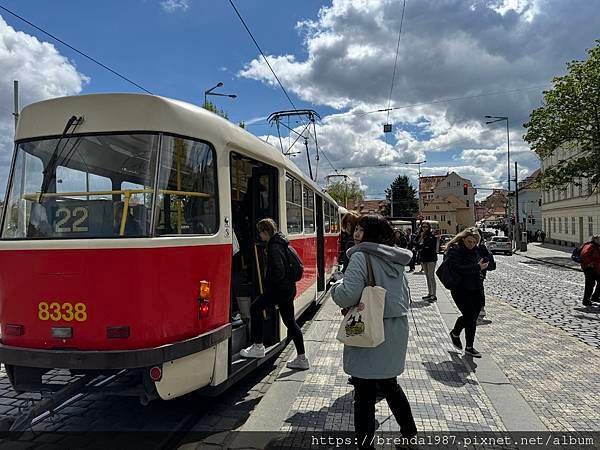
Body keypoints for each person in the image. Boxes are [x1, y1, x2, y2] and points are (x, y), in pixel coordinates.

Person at [330, 214, 417, 448]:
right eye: (356, 229)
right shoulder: (396, 257)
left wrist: (336, 286)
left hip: (368, 327)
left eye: (361, 230)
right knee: (390, 384)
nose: (356, 234)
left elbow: (347, 295)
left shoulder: (360, 256)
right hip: (395, 328)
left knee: (364, 392)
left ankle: (365, 445)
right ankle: (409, 433)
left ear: (371, 234)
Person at [240, 218, 309, 370]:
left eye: (261, 233)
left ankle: (258, 346)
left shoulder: (273, 246)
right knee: (290, 322)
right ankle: (302, 358)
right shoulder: (283, 242)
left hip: (279, 289)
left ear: (265, 232)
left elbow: (278, 271)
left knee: (255, 308)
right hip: (289, 288)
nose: (260, 236)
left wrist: (269, 286)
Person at [444, 228, 489, 357]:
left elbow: (490, 265)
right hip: (460, 289)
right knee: (469, 316)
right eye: (469, 241)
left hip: (476, 287)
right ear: (463, 239)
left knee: (473, 318)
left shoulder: (477, 250)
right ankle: (467, 344)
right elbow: (458, 269)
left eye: (474, 242)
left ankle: (459, 336)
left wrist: (486, 254)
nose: (471, 244)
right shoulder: (455, 251)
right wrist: (477, 267)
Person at [475, 229, 496, 323]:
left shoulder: (482, 248)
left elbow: (488, 260)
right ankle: (476, 315)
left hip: (480, 274)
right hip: (470, 274)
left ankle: (480, 313)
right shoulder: (467, 247)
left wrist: (484, 261)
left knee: (479, 293)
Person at [415, 222, 438, 302]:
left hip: (431, 258)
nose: (424, 228)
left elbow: (428, 245)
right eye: (423, 227)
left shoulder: (431, 236)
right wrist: (420, 236)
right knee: (427, 276)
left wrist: (421, 246)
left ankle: (434, 295)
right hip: (423, 258)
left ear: (429, 228)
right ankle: (429, 293)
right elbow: (415, 243)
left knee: (431, 276)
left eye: (426, 227)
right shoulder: (421, 236)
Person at [581, 235, 600, 307]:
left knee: (592, 283)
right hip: (589, 269)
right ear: (595, 239)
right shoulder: (590, 246)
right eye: (599, 239)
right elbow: (584, 255)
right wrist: (589, 263)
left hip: (596, 269)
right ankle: (586, 300)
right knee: (589, 284)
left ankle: (595, 297)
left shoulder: (596, 246)